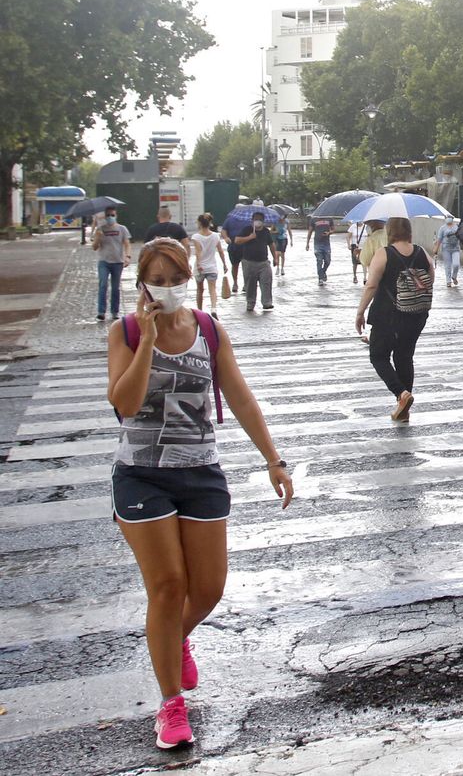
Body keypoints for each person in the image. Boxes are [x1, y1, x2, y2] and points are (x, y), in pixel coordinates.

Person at [106, 237, 292, 750]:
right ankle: (170, 705)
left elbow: (240, 396)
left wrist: (273, 459)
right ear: (142, 283)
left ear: (188, 278)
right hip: (143, 475)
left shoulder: (208, 330)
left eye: (174, 279)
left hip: (201, 471)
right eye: (157, 281)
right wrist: (145, 340)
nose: (166, 290)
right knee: (167, 587)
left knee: (207, 588)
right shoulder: (122, 332)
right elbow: (125, 403)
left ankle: (173, 637)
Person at [356, 217, 433, 420]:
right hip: (416, 315)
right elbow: (430, 279)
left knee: (378, 356)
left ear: (390, 233)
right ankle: (404, 410)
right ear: (409, 232)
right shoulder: (421, 252)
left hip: (387, 316)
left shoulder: (384, 254)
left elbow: (371, 285)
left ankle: (401, 393)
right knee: (404, 357)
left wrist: (360, 312)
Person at [93, 209, 132, 321]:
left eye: (112, 215)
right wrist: (98, 237)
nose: (110, 217)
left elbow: (127, 244)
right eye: (108, 215)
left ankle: (114, 312)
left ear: (116, 215)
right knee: (103, 284)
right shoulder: (100, 229)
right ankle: (101, 311)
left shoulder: (122, 229)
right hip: (104, 261)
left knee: (115, 288)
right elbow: (94, 247)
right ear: (104, 217)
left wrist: (128, 256)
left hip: (117, 262)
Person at [233, 210, 274, 312]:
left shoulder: (266, 231)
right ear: (252, 220)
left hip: (263, 262)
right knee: (250, 284)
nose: (258, 222)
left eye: (260, 220)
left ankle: (267, 302)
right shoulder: (247, 230)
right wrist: (249, 237)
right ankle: (250, 303)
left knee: (266, 281)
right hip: (249, 262)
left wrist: (275, 257)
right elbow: (237, 240)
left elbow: (271, 244)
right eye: (256, 219)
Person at [189, 214, 224, 311]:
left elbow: (198, 252)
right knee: (212, 289)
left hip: (201, 268)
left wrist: (199, 264)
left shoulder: (196, 237)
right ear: (210, 223)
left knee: (200, 290)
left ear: (199, 223)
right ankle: (213, 308)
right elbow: (220, 251)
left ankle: (200, 310)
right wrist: (224, 264)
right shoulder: (216, 236)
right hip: (212, 267)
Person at [434, 216, 462, 288]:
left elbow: (461, 236)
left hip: (455, 249)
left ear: (452, 219)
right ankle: (448, 281)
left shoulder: (457, 227)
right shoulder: (442, 228)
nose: (448, 219)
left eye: (449, 217)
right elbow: (439, 239)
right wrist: (436, 249)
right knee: (447, 266)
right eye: (447, 217)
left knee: (456, 264)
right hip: (446, 249)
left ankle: (454, 276)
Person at [306, 216, 335, 284]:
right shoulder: (313, 219)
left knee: (327, 261)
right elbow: (310, 232)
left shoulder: (329, 219)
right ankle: (320, 278)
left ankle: (323, 272)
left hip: (326, 244)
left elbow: (333, 229)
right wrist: (307, 243)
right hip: (317, 243)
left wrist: (329, 233)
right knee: (319, 261)